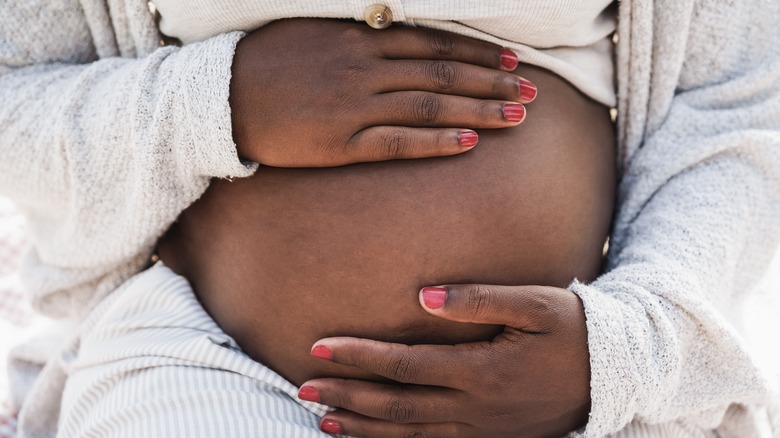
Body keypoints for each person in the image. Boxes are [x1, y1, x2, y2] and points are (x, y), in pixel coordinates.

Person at [1, 1, 778, 438]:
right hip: (204, 361)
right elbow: (15, 99)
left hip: (576, 397)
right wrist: (212, 101)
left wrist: (615, 356)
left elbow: (732, 106)